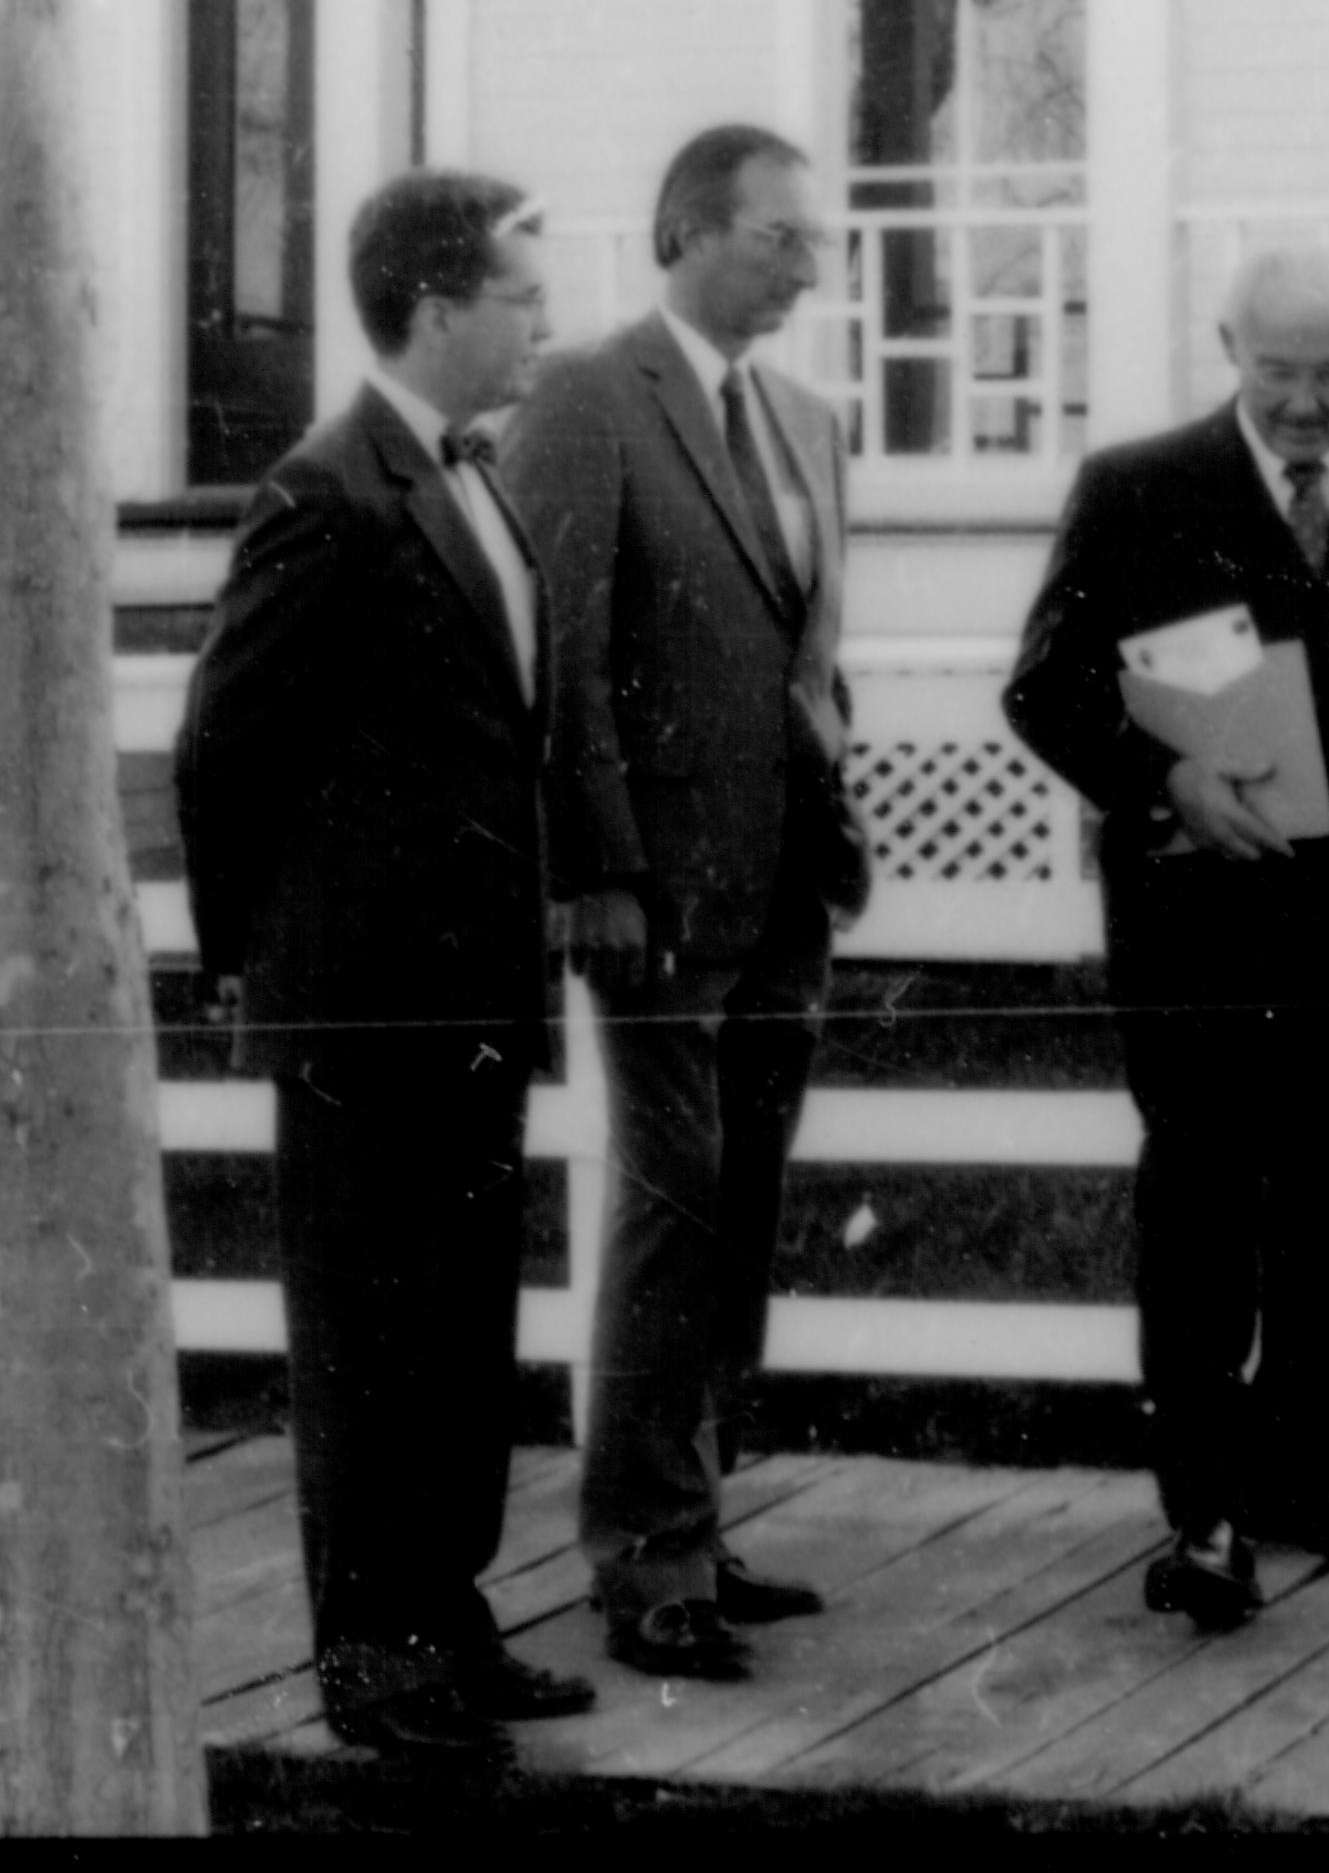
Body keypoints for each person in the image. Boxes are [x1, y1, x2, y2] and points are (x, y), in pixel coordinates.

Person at [1002, 248, 1329, 1630]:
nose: (1304, 401)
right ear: (1229, 346)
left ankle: (1299, 1478)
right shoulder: (1138, 487)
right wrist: (1162, 779)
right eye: (1277, 371)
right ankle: (1205, 1514)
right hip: (1206, 937)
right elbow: (1046, 687)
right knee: (1208, 1219)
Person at [176, 168, 591, 1761]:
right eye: (518, 294)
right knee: (367, 1335)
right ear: (434, 310)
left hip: (480, 1005)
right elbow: (225, 750)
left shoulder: (475, 480)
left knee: (462, 1324)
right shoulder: (325, 493)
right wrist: (256, 971)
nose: (540, 321)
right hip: (362, 1010)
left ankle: (448, 1614)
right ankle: (372, 1656)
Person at [497, 125, 869, 1682]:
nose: (808, 267)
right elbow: (558, 649)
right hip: (651, 893)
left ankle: (693, 1527)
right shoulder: (590, 393)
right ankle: (643, 1560)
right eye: (781, 237)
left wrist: (836, 802)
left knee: (745, 1205)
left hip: (785, 884)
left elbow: (805, 652)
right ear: (684, 231)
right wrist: (589, 867)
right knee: (676, 1199)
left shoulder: (806, 419)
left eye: (814, 244)